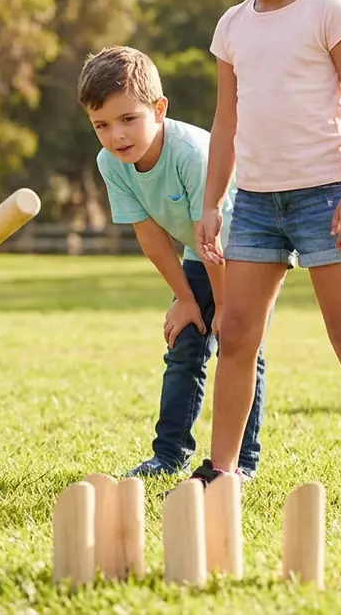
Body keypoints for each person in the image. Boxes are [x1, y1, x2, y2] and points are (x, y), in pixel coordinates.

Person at [194, 0, 341, 506]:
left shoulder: (330, 11)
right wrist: (212, 203)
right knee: (237, 334)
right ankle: (221, 470)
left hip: (326, 198)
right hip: (255, 203)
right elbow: (226, 121)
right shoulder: (232, 25)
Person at [77, 45, 266, 479]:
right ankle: (169, 454)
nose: (116, 135)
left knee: (240, 346)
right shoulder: (111, 163)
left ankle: (242, 462)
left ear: (159, 109)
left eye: (128, 119)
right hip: (201, 251)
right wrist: (186, 299)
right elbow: (151, 235)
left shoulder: (190, 153)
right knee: (185, 346)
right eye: (102, 125)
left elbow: (214, 237)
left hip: (251, 249)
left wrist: (224, 306)